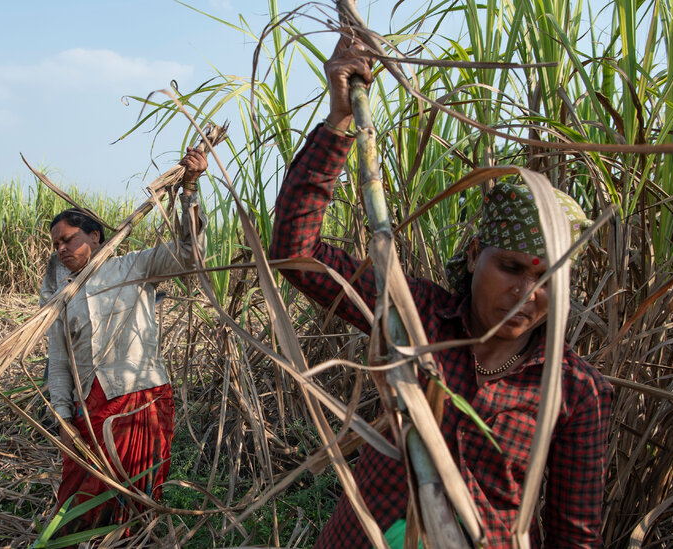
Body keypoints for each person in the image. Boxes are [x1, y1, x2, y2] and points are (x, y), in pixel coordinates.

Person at [268, 40, 613, 548]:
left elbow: (574, 535)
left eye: (548, 281)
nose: (526, 294)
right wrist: (341, 118)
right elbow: (296, 252)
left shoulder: (573, 390)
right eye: (511, 267)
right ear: (475, 254)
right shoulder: (415, 316)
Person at [43, 148, 208, 532]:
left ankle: (131, 541)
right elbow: (61, 360)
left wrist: (190, 190)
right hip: (89, 409)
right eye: (56, 245)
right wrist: (63, 417)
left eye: (68, 239)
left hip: (141, 400)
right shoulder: (62, 298)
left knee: (135, 493)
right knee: (79, 493)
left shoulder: (134, 266)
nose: (62, 249)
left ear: (95, 236)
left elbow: (189, 254)